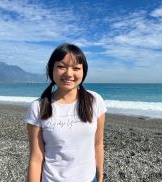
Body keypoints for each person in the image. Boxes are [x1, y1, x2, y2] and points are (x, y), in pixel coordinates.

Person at [24, 43, 107, 182]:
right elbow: (36, 158)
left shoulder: (95, 101)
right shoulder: (38, 108)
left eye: (76, 68)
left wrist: (100, 176)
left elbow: (98, 144)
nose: (69, 73)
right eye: (61, 66)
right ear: (51, 69)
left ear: (83, 72)